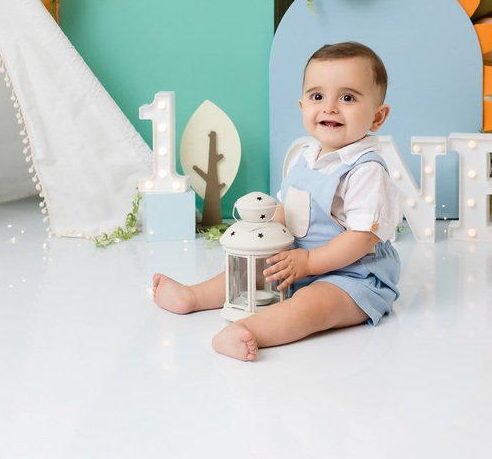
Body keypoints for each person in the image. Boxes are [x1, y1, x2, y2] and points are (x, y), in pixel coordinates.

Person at [152, 42, 401, 361]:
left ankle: (251, 330)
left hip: (354, 276)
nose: (330, 107)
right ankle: (193, 296)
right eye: (317, 96)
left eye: (348, 97)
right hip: (298, 261)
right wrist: (265, 239)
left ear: (378, 117)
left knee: (313, 306)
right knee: (246, 272)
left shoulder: (365, 169)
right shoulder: (305, 156)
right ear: (302, 106)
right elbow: (288, 209)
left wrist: (310, 264)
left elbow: (362, 238)